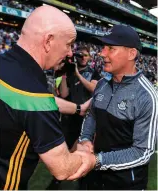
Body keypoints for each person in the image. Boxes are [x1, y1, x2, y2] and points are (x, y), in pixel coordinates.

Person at [0, 5, 96, 190]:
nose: (70, 53)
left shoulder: (4, 65)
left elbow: (28, 103)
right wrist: (88, 155)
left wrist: (79, 108)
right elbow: (63, 169)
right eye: (68, 44)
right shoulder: (34, 95)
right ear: (49, 41)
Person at [67, 25, 158, 190]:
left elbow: (142, 152)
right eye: (103, 48)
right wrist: (86, 139)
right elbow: (92, 115)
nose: (102, 53)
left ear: (131, 53)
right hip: (93, 175)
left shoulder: (146, 96)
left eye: (111, 48)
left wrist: (98, 160)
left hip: (125, 183)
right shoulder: (102, 84)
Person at [59, 46, 101, 149]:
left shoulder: (93, 72)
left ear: (90, 57)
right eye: (80, 55)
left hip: (84, 115)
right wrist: (64, 74)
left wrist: (78, 75)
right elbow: (64, 94)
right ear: (75, 57)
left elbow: (93, 88)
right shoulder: (69, 72)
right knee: (63, 145)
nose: (83, 58)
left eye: (85, 55)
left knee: (79, 146)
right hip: (70, 113)